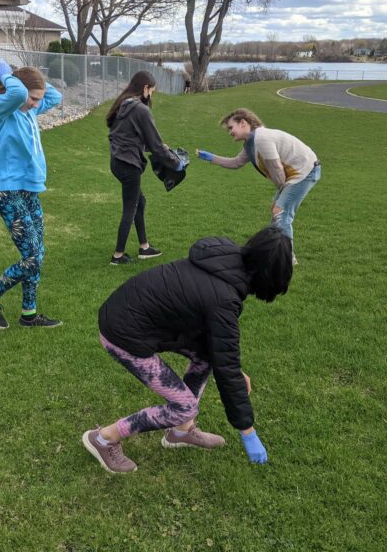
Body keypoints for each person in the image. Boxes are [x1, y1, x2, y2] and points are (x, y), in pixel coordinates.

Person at [82, 225, 293, 473]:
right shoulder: (224, 299)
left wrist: (235, 371)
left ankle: (181, 432)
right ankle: (104, 438)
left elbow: (220, 354)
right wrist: (248, 432)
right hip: (123, 333)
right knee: (185, 407)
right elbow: (227, 368)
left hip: (129, 316)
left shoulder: (224, 261)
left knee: (205, 358)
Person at [0, 61, 63, 330]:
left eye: (37, 99)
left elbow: (55, 96)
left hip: (29, 190)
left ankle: (29, 314)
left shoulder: (28, 110)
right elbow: (18, 94)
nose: (36, 104)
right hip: (8, 191)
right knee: (33, 256)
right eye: (32, 98)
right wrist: (6, 72)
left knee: (37, 254)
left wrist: (32, 78)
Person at [196, 108, 321, 265]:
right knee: (277, 211)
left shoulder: (261, 138)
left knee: (281, 212)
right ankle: (277, 252)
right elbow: (236, 163)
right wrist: (210, 157)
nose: (230, 132)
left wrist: (281, 194)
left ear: (243, 123)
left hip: (305, 172)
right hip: (295, 175)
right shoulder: (251, 142)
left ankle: (287, 259)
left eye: (231, 127)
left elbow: (277, 169)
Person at [106, 71, 181, 265]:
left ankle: (144, 247)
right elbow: (156, 145)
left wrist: (157, 148)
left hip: (117, 162)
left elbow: (127, 135)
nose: (151, 95)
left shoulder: (123, 103)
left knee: (140, 202)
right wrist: (176, 163)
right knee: (130, 208)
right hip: (128, 165)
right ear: (145, 88)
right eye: (152, 91)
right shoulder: (140, 109)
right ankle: (118, 256)